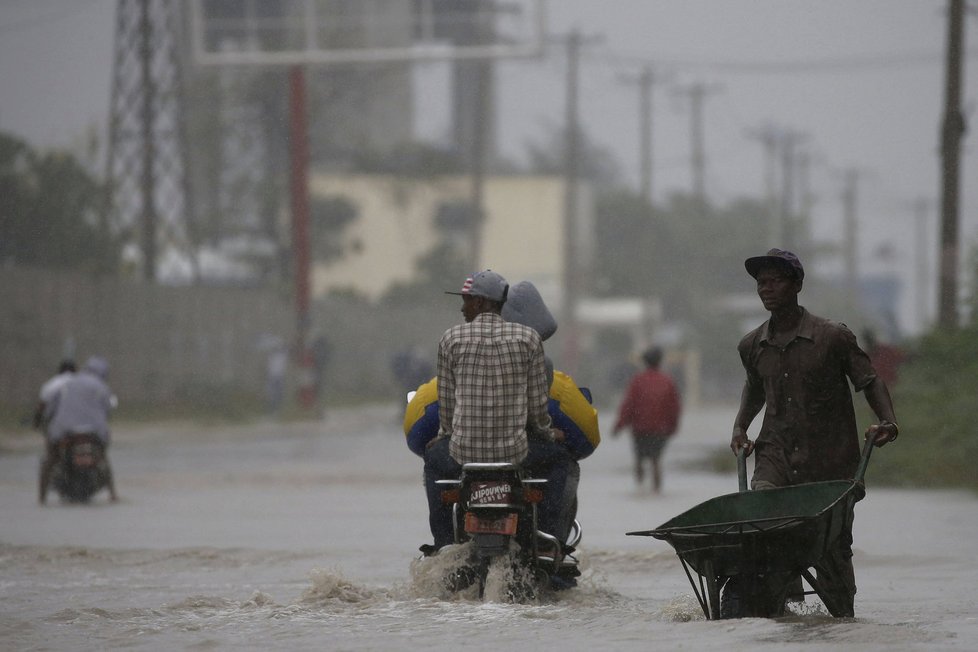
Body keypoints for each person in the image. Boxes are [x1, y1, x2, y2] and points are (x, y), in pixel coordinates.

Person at [726, 248, 899, 618]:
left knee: (833, 551)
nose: (765, 289)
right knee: (765, 518)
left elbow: (869, 381)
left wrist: (888, 421)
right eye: (760, 283)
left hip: (830, 463)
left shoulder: (832, 337)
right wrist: (741, 426)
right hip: (775, 456)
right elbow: (755, 388)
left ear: (797, 285)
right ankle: (778, 604)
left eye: (774, 281)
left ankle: (839, 618)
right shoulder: (752, 345)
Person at [405, 281, 599, 551]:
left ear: (483, 303)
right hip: (516, 451)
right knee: (560, 462)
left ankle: (443, 546)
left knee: (434, 463)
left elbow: (445, 405)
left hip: (463, 452)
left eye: (468, 301)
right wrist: (546, 432)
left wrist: (443, 436)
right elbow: (538, 410)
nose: (464, 308)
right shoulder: (530, 346)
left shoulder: (452, 340)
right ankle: (549, 543)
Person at [39, 356, 119, 504]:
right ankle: (113, 494)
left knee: (50, 459)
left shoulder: (68, 383)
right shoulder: (101, 386)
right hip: (94, 433)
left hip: (64, 431)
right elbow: (108, 408)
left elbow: (51, 406)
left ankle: (42, 498)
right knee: (103, 457)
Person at [612, 346, 682, 493]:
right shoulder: (667, 381)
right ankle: (656, 492)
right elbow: (675, 407)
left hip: (640, 429)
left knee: (639, 460)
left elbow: (628, 406)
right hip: (660, 430)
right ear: (660, 361)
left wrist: (619, 426)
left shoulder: (637, 381)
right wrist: (673, 427)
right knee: (656, 461)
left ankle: (639, 490)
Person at [33, 359, 77, 433]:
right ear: (75, 370)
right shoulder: (80, 383)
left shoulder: (52, 383)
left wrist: (37, 421)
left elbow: (42, 405)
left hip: (55, 421)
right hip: (77, 420)